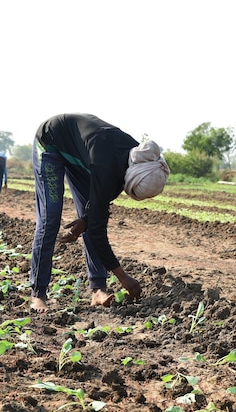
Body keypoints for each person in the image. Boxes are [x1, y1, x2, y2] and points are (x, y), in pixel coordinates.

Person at [30, 113, 170, 312]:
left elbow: (99, 210)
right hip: (52, 143)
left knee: (91, 222)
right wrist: (123, 276)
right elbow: (98, 228)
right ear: (130, 178)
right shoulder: (106, 166)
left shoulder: (138, 159)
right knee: (50, 220)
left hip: (83, 157)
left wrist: (86, 220)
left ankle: (98, 290)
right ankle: (38, 293)